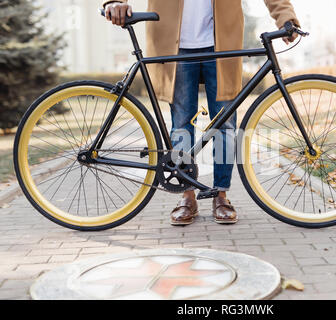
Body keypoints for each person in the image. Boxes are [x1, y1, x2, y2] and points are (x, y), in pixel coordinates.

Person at [103, 0, 300, 226]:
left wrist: (285, 16)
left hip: (222, 43)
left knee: (225, 125)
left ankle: (220, 195)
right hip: (172, 42)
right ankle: (186, 195)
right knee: (181, 123)